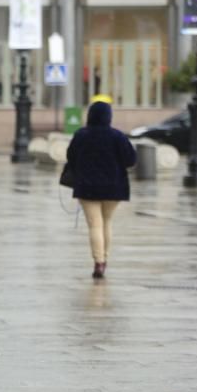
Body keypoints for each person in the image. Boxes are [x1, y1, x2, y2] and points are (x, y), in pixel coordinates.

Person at [65, 101, 137, 279]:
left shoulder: (81, 135)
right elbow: (131, 160)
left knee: (94, 225)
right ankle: (105, 258)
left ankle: (99, 263)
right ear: (108, 116)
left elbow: (70, 158)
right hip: (114, 187)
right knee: (107, 222)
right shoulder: (118, 136)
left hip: (87, 187)